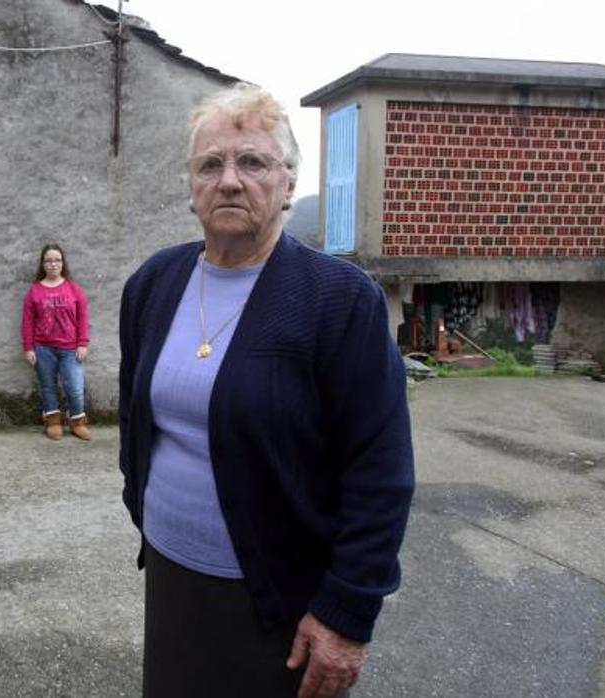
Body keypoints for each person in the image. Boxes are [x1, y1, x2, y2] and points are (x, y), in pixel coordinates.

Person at [118, 84, 415, 698]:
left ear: (288, 183)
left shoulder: (339, 301)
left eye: (252, 162)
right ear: (190, 185)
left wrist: (346, 614)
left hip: (278, 596)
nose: (230, 180)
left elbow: (380, 472)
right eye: (211, 164)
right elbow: (136, 416)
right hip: (172, 576)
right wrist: (141, 506)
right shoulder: (154, 283)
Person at [21, 244, 91, 441]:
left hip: (70, 349)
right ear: (43, 264)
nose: (53, 264)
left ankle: (77, 422)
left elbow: (83, 318)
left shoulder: (73, 289)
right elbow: (27, 322)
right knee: (48, 386)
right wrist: (28, 347)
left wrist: (82, 343)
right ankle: (53, 422)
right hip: (43, 348)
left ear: (63, 263)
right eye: (48, 260)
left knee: (75, 387)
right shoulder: (34, 291)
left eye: (57, 260)